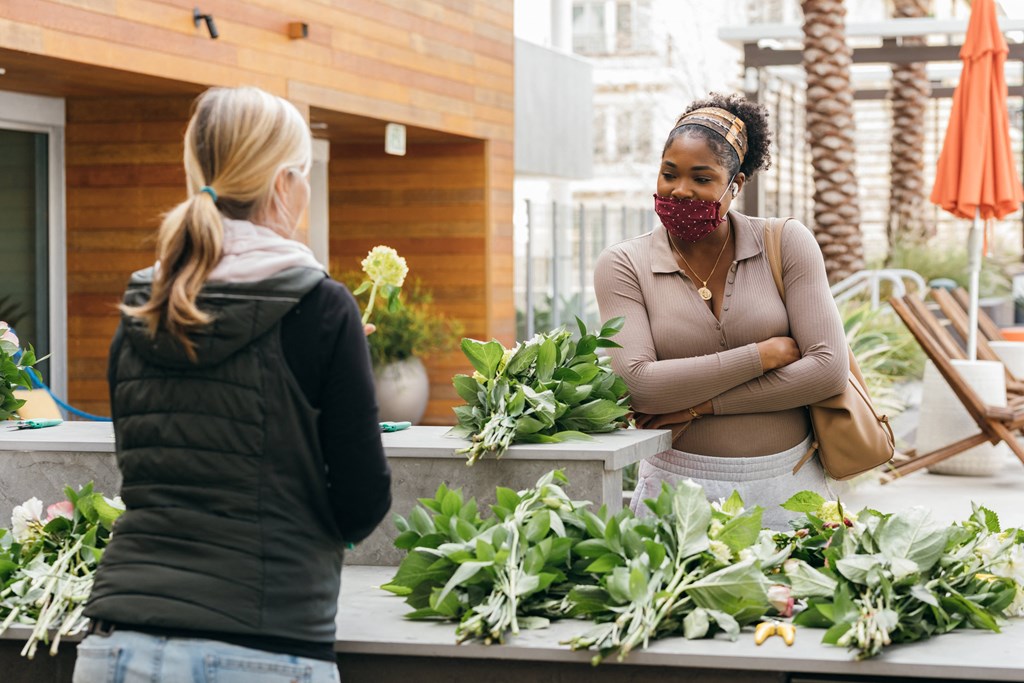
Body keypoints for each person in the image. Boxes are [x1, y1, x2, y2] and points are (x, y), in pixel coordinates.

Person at [73, 87, 391, 683]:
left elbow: (147, 468)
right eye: (305, 175)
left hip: (116, 644)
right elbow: (362, 497)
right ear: (281, 185)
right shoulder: (321, 307)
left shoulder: (144, 305)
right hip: (264, 644)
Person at [594, 93, 847, 529]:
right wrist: (761, 357)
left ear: (736, 186)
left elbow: (826, 371)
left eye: (702, 178)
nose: (680, 190)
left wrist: (699, 406)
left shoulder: (786, 243)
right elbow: (638, 385)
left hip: (790, 485)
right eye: (668, 173)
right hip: (676, 491)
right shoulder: (623, 264)